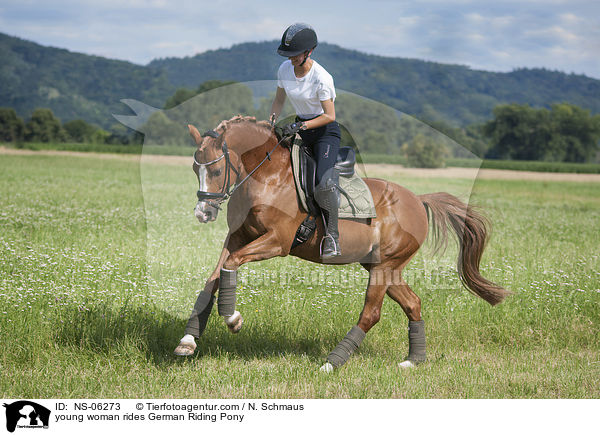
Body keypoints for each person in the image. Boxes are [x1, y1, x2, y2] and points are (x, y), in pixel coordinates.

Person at [270, 23, 342, 259]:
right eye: (288, 54)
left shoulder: (322, 78)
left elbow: (329, 116)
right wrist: (270, 122)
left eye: (295, 54)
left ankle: (332, 236)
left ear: (308, 52)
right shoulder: (284, 69)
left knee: (322, 183)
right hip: (299, 127)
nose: (291, 59)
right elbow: (279, 99)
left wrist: (301, 126)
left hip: (324, 133)